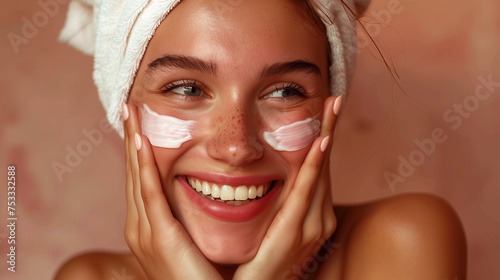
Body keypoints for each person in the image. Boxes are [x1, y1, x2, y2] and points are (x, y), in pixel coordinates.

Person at [54, 0, 467, 279]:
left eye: (285, 92)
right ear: (125, 106)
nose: (236, 148)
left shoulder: (402, 241)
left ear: (329, 108)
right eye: (187, 89)